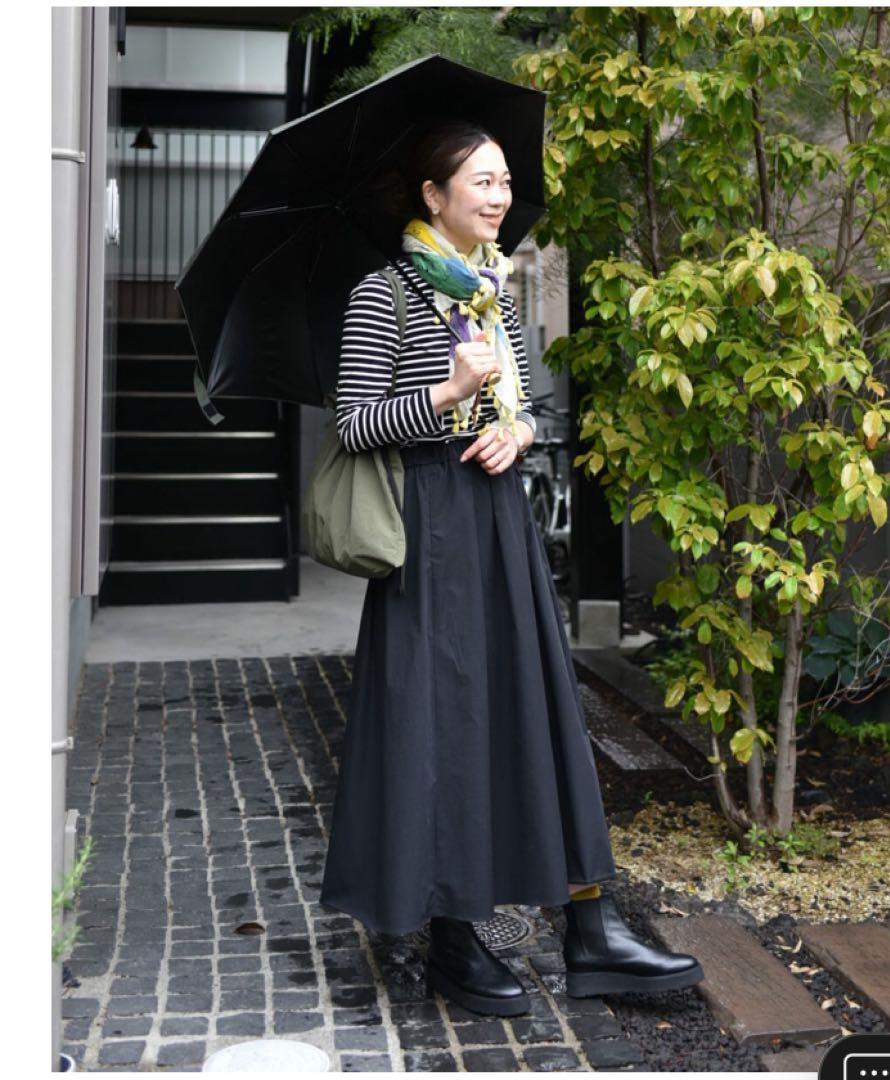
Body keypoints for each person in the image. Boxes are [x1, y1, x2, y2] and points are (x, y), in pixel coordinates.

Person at [318, 119, 703, 1017]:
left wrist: (515, 427)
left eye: (502, 182)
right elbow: (353, 424)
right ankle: (453, 933)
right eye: (480, 182)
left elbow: (526, 407)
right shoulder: (383, 293)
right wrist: (449, 395)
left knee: (535, 707)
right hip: (429, 531)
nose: (497, 196)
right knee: (442, 721)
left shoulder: (492, 293)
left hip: (498, 521)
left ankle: (589, 928)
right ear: (431, 195)